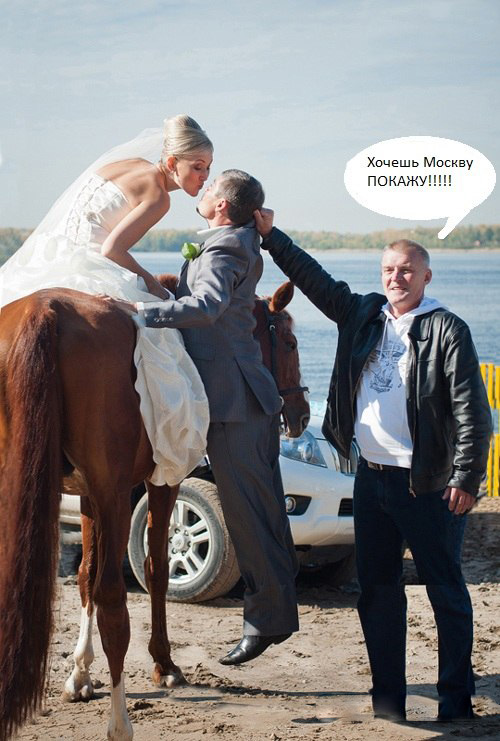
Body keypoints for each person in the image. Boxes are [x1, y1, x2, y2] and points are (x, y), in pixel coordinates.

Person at [253, 210, 492, 721]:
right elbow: (314, 279)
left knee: (446, 592)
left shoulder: (446, 329)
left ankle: (455, 702)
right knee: (377, 594)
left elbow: (473, 410)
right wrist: (271, 237)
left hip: (429, 486)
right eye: (389, 269)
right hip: (370, 480)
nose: (396, 277)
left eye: (407, 270)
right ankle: (388, 703)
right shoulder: (363, 314)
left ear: (426, 276)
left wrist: (467, 477)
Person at [112, 170, 299, 664]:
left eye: (211, 185)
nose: (204, 188)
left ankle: (267, 623)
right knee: (260, 511)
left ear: (220, 206)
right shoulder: (232, 241)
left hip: (235, 401)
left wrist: (141, 312)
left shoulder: (226, 248)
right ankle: (276, 612)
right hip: (238, 396)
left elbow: (209, 306)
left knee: (249, 514)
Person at [0, 115, 213, 486]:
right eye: (197, 167)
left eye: (208, 168)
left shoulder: (124, 164)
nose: (204, 176)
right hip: (90, 264)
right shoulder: (159, 197)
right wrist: (152, 284)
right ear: (171, 161)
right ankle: (164, 450)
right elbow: (112, 249)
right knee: (162, 338)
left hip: (52, 257)